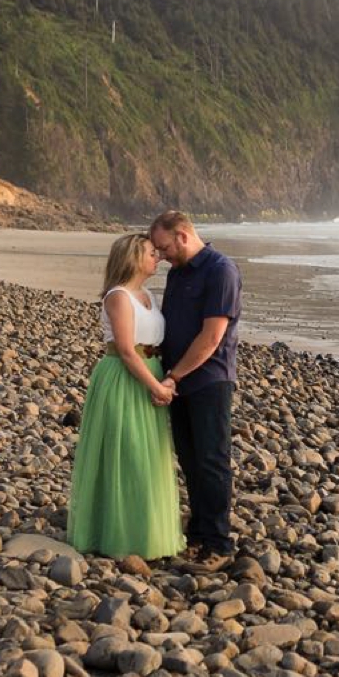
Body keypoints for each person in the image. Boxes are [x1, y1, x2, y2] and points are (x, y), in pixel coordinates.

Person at [65, 233, 185, 560]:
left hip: (151, 371)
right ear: (133, 258)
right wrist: (156, 386)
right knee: (126, 451)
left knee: (149, 455)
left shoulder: (146, 294)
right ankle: (115, 532)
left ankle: (143, 530)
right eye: (150, 252)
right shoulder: (119, 297)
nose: (157, 257)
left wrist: (168, 379)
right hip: (124, 376)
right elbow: (127, 351)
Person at [148, 209, 241, 564]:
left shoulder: (221, 270)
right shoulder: (178, 273)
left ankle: (218, 543)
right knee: (189, 459)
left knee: (212, 460)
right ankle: (199, 532)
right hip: (178, 379)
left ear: (183, 235)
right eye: (157, 250)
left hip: (209, 379)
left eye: (164, 247)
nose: (161, 255)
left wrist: (175, 376)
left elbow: (212, 337)